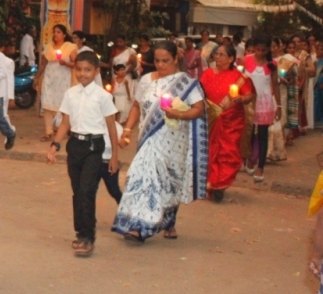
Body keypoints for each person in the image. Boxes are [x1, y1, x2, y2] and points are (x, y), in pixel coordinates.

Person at [114, 41, 207, 242]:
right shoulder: (146, 80)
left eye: (166, 61)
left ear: (176, 59)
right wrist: (127, 130)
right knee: (142, 175)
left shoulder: (186, 82)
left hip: (174, 140)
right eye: (157, 61)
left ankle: (168, 220)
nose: (161, 65)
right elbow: (137, 107)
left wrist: (178, 114)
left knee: (168, 181)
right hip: (149, 139)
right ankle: (139, 226)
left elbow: (199, 109)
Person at [47, 52, 119, 257]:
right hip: (75, 147)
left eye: (87, 70)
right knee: (78, 191)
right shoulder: (70, 94)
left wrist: (113, 156)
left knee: (87, 191)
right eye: (78, 69)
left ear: (96, 71)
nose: (82, 73)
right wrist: (55, 145)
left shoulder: (103, 96)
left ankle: (89, 237)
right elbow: (65, 123)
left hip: (94, 148)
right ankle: (81, 231)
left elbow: (111, 128)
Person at [200, 45, 255, 202]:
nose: (217, 57)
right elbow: (199, 91)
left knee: (227, 151)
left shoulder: (239, 77)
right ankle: (209, 183)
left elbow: (249, 95)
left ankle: (220, 185)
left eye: (221, 55)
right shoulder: (208, 74)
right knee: (209, 151)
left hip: (231, 119)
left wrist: (242, 99)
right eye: (216, 54)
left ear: (231, 59)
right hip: (209, 118)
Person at [242, 34, 279, 183]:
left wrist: (279, 105)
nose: (260, 53)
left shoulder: (272, 64)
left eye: (263, 50)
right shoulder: (247, 60)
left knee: (263, 135)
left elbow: (275, 85)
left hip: (264, 101)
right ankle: (250, 158)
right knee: (249, 132)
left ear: (268, 49)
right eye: (257, 49)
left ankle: (260, 167)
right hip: (249, 100)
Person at [34, 24, 77, 141]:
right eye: (54, 32)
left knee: (63, 105)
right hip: (49, 79)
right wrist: (37, 77)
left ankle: (65, 128)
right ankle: (48, 131)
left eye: (58, 32)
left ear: (64, 35)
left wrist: (66, 63)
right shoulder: (49, 47)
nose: (55, 34)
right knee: (47, 104)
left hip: (63, 80)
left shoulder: (69, 47)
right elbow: (43, 64)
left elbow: (76, 63)